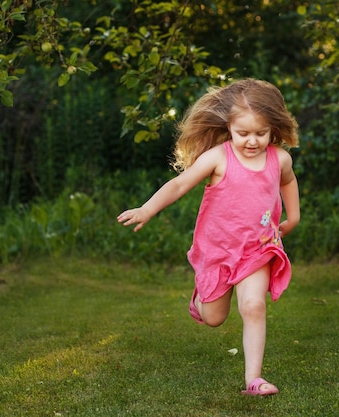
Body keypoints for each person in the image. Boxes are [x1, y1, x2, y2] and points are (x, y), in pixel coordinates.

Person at [117, 78, 300, 396]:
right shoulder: (218, 158)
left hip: (258, 247)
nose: (252, 141)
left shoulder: (279, 159)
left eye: (261, 133)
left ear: (274, 128)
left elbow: (288, 180)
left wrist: (293, 216)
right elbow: (178, 185)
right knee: (214, 318)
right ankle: (201, 298)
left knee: (254, 306)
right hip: (217, 250)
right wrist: (147, 209)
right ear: (228, 126)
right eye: (243, 133)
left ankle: (254, 379)